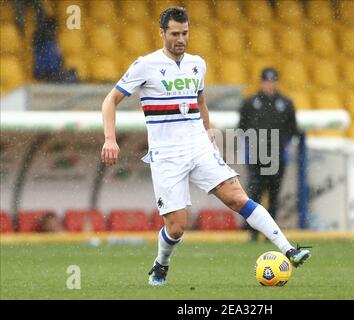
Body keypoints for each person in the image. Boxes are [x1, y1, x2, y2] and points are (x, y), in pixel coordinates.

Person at [100, 7, 311, 286]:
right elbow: (110, 100)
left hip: (198, 147)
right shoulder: (145, 65)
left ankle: (289, 250)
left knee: (238, 197)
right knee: (176, 228)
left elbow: (200, 102)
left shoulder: (197, 64)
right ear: (162, 33)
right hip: (167, 155)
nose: (180, 39)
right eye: (174, 34)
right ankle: (161, 264)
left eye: (185, 33)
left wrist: (208, 132)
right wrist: (110, 138)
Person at [239, 68, 299, 241]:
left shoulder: (286, 103)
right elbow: (242, 127)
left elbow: (292, 129)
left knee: (274, 195)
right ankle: (253, 233)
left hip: (277, 156)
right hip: (256, 156)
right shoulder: (250, 103)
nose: (270, 85)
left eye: (273, 81)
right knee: (255, 193)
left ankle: (270, 234)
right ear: (261, 82)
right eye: (267, 81)